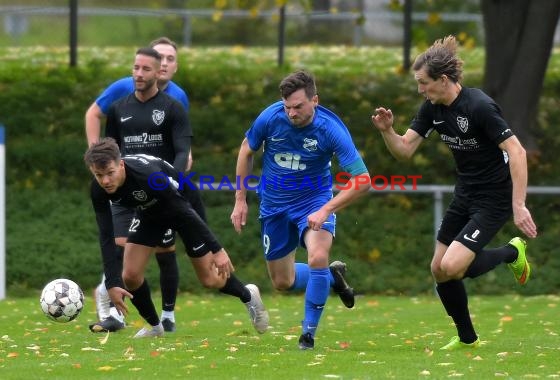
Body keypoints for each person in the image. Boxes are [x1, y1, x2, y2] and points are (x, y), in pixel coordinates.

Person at [371, 35, 538, 350]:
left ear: (443, 80)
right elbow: (404, 151)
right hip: (465, 193)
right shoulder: (432, 108)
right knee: (439, 269)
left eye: (423, 83)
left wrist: (519, 206)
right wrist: (388, 132)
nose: (420, 89)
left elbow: (517, 152)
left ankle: (512, 252)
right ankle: (467, 339)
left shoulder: (478, 106)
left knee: (452, 266)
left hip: (494, 198)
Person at [231, 70, 371, 350]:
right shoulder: (271, 118)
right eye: (287, 107)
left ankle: (308, 336)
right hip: (274, 205)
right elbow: (247, 150)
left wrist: (326, 209)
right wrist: (240, 199)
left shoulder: (331, 130)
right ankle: (332, 277)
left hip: (315, 201)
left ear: (314, 100)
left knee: (318, 256)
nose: (292, 113)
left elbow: (362, 180)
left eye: (298, 106)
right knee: (283, 281)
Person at [85, 137, 269, 338]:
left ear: (121, 164)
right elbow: (105, 235)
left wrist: (217, 249)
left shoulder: (148, 176)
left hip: (184, 207)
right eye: (99, 175)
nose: (105, 181)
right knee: (129, 275)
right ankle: (156, 327)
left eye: (110, 173)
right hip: (149, 213)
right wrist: (112, 283)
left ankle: (248, 296)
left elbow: (183, 210)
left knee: (209, 278)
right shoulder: (98, 189)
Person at [85, 40, 204, 334]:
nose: (163, 64)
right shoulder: (122, 90)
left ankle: (167, 316)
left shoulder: (177, 99)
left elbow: (180, 139)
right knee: (121, 245)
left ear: (175, 66)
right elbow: (96, 119)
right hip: (128, 183)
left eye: (170, 59)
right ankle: (114, 307)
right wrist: (99, 163)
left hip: (162, 187)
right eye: (158, 58)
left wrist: (179, 167)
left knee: (167, 251)